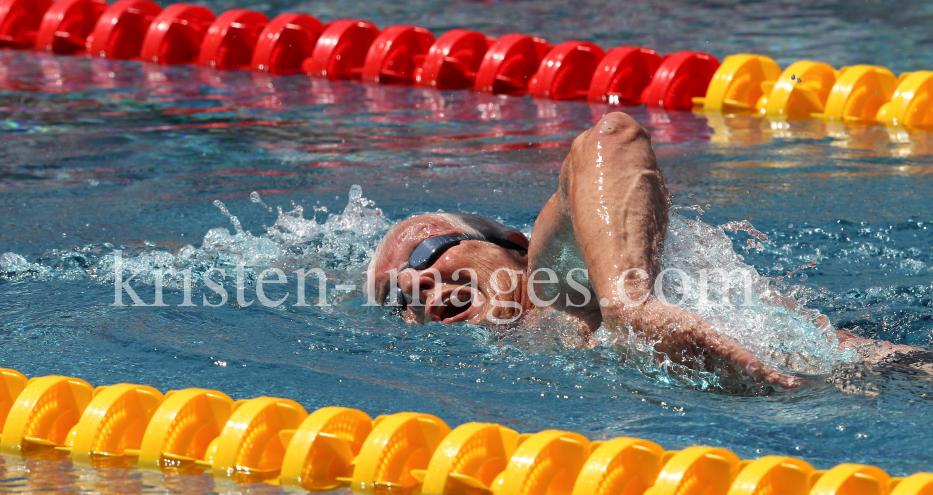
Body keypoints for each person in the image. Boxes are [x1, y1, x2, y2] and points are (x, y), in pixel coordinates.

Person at [367, 112, 925, 387]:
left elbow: (610, 138)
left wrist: (629, 304)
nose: (412, 284)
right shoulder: (523, 356)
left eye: (426, 252)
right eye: (395, 298)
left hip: (887, 379)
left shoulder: (555, 282)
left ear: (511, 246)